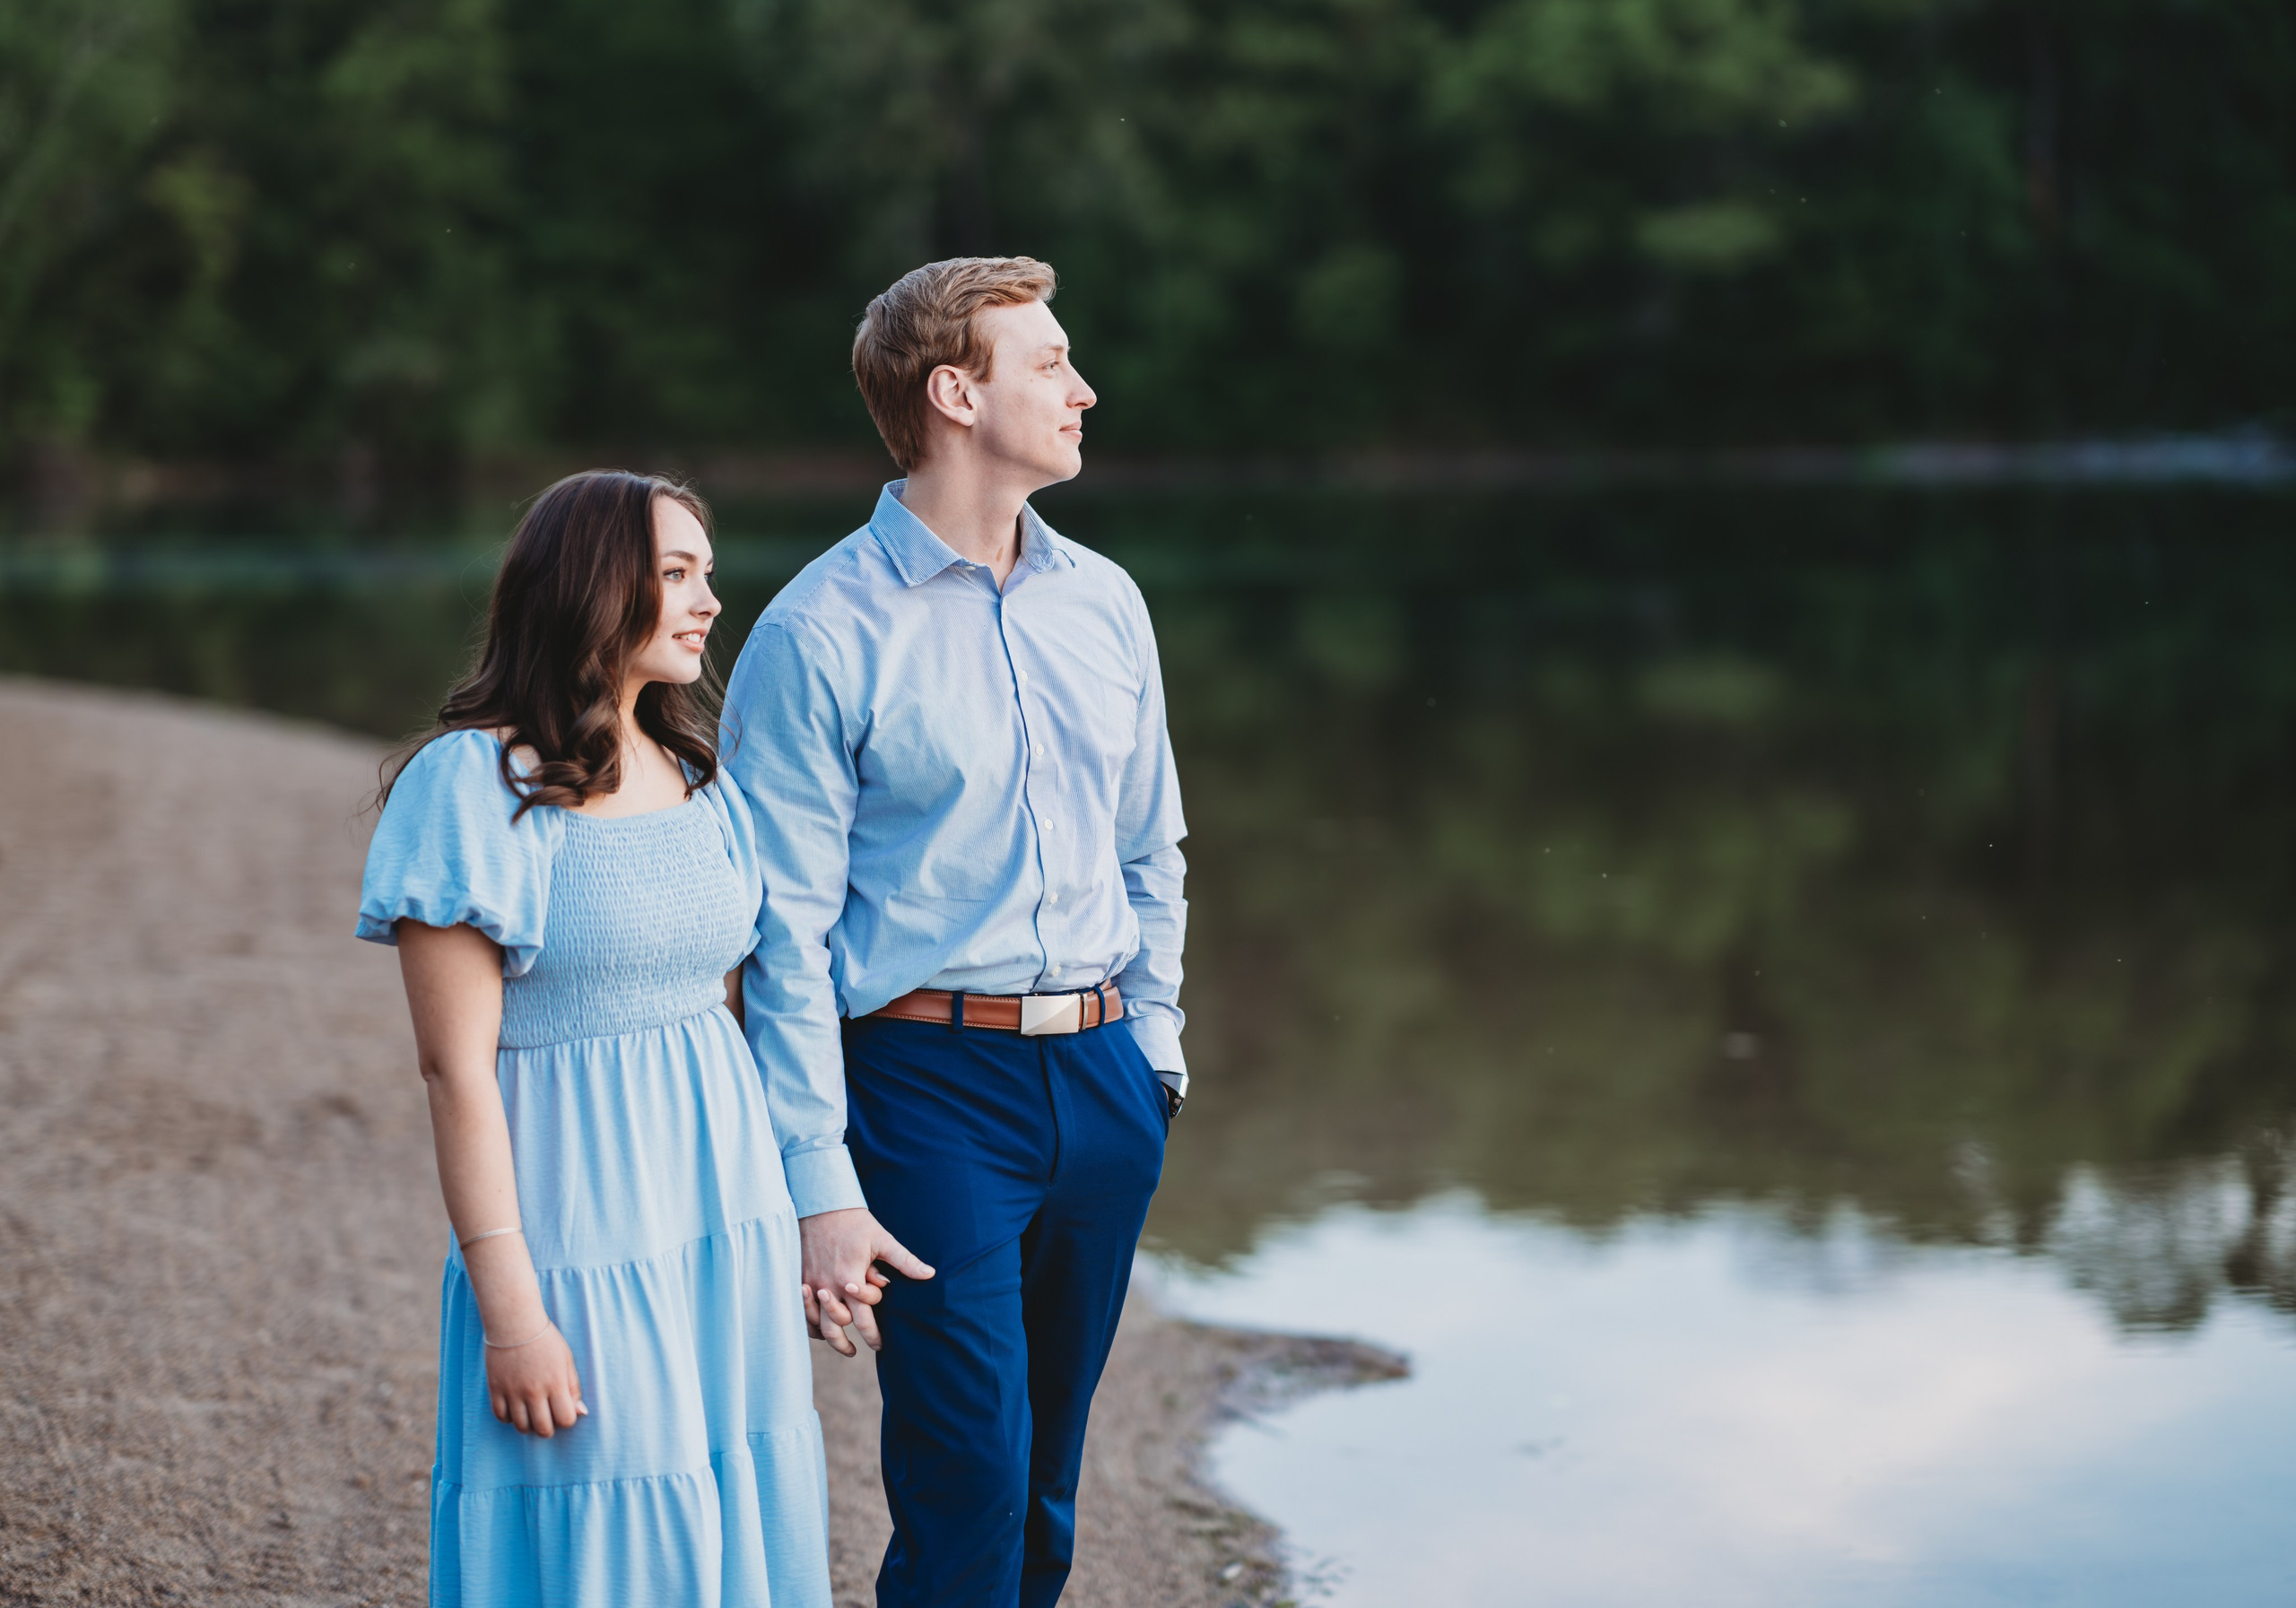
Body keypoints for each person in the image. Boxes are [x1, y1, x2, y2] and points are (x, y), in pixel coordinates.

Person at [722, 256, 1187, 1607]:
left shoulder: (1106, 601)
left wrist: (1152, 1052)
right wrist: (819, 1185)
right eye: (1049, 363)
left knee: (1045, 1482)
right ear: (953, 394)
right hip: (927, 1093)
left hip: (1104, 1080)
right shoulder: (817, 634)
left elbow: (1151, 846)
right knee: (966, 1476)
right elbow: (783, 939)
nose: (1082, 389)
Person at [356, 471, 841, 1607]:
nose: (709, 600)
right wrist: (512, 1315)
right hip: (580, 1226)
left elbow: (741, 1007)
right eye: (675, 573)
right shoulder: (473, 785)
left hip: (722, 1217)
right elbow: (453, 1070)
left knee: (736, 1510)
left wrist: (813, 1207)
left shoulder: (700, 775)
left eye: (706, 574)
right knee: (611, 1533)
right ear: (588, 588)